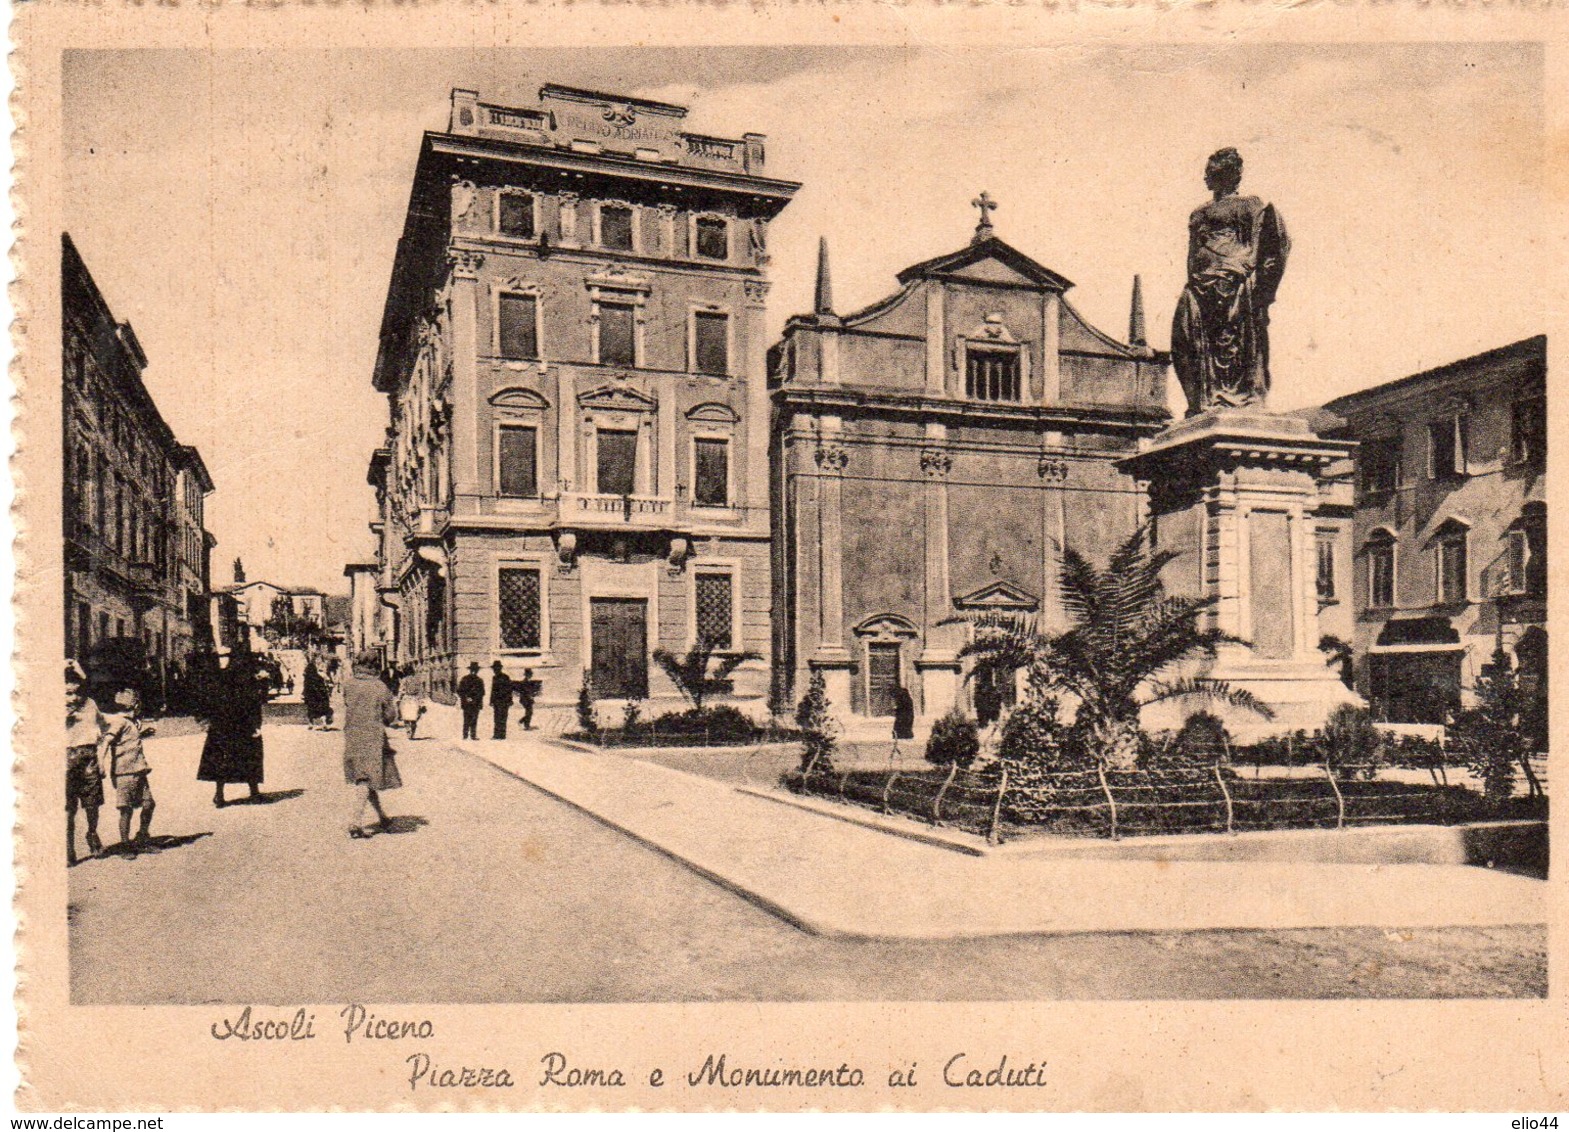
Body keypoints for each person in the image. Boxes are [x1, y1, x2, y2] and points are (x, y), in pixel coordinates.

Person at [1170, 147, 1290, 416]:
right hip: (1200, 285)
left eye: (1211, 173)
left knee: (1234, 341)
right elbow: (1192, 253)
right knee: (1185, 339)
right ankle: (1201, 400)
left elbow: (1258, 245)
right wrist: (1194, 279)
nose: (1205, 178)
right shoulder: (1198, 213)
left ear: (1228, 175)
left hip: (1234, 280)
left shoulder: (1249, 205)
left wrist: (1239, 270)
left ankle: (1240, 397)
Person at [342, 650, 402, 840]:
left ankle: (382, 817)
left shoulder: (349, 685)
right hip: (373, 737)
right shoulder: (380, 687)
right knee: (367, 777)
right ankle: (355, 821)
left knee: (364, 776)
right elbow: (390, 716)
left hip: (352, 734)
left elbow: (347, 703)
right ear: (375, 665)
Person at [196, 647, 266, 807]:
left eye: (226, 656)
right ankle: (221, 794)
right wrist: (204, 719)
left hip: (237, 723)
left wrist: (255, 722)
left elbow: (252, 700)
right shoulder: (217, 676)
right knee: (226, 758)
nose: (223, 660)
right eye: (220, 656)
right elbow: (205, 699)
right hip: (228, 724)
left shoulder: (237, 676)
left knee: (244, 756)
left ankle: (251, 791)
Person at [102, 684, 156, 849]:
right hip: (124, 772)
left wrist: (142, 734)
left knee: (149, 804)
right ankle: (125, 844)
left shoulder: (132, 723)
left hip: (139, 770)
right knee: (126, 809)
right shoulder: (119, 722)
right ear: (136, 706)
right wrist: (100, 764)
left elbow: (127, 739)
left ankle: (142, 835)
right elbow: (107, 741)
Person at [66, 663, 106, 865]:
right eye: (67, 693)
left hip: (90, 757)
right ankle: (68, 848)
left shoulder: (90, 704)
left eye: (76, 693)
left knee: (92, 804)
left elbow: (104, 727)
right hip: (65, 761)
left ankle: (92, 833)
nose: (73, 698)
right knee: (68, 808)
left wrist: (101, 758)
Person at [457, 662, 485, 741]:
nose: (474, 671)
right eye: (473, 670)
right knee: (466, 719)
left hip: (475, 703)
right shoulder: (465, 679)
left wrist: (475, 699)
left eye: (475, 670)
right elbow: (459, 691)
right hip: (467, 703)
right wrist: (466, 697)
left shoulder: (479, 680)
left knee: (474, 719)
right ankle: (465, 735)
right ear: (470, 670)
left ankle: (473, 735)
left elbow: (482, 692)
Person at [303, 659, 333, 730]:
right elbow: (323, 686)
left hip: (311, 697)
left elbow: (306, 688)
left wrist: (304, 696)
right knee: (322, 711)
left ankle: (310, 724)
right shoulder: (319, 677)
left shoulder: (307, 679)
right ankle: (324, 723)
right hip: (320, 696)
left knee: (310, 710)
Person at [489, 661, 514, 740]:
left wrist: (510, 700)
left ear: (500, 668)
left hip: (504, 701)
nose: (495, 670)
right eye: (494, 669)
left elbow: (509, 689)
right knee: (496, 718)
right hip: (497, 701)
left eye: (496, 668)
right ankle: (496, 735)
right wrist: (491, 700)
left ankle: (502, 735)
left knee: (503, 717)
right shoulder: (494, 677)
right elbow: (493, 690)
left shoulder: (505, 677)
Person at [397, 675, 427, 739]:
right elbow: (421, 692)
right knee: (414, 717)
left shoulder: (404, 680)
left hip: (406, 699)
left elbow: (401, 691)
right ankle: (412, 732)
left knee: (405, 716)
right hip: (415, 699)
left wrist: (399, 699)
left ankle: (408, 731)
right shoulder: (417, 680)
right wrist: (422, 703)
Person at [517, 667, 537, 732]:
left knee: (529, 712)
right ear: (527, 674)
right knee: (529, 712)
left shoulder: (528, 681)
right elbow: (525, 691)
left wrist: (532, 695)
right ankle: (523, 723)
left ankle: (525, 724)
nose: (531, 675)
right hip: (525, 699)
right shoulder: (524, 682)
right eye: (530, 674)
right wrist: (530, 696)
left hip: (528, 699)